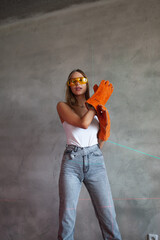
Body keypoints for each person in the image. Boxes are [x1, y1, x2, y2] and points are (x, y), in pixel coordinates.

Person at [56, 69, 122, 240]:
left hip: (95, 160)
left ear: (86, 82)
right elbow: (83, 123)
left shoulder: (95, 108)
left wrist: (104, 130)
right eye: (72, 81)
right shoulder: (62, 106)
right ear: (69, 86)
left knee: (108, 215)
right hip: (72, 162)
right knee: (66, 217)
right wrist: (96, 101)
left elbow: (99, 143)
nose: (77, 83)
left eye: (81, 79)